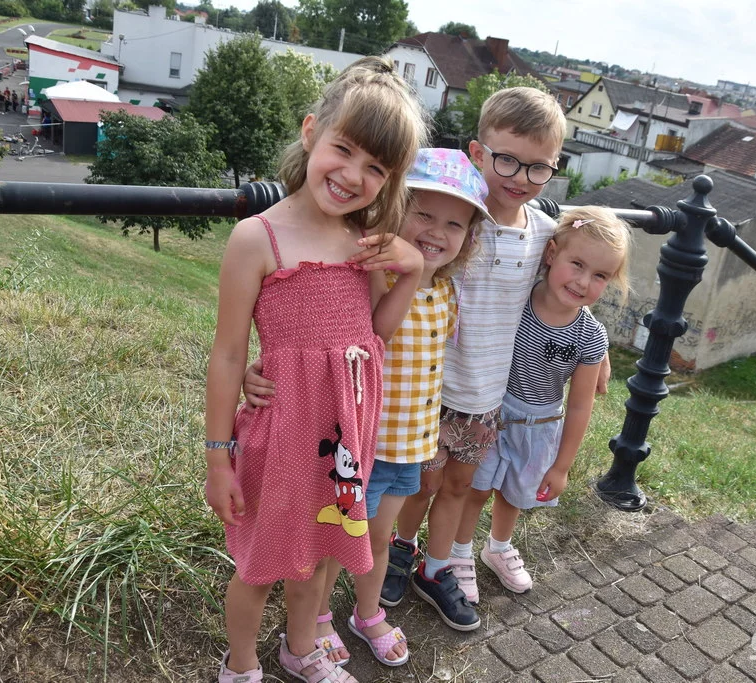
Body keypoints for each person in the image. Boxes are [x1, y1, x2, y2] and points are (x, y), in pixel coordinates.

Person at [203, 56, 426, 683]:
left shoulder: (368, 242)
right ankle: (241, 664)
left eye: (376, 167)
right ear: (310, 133)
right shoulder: (256, 239)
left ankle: (302, 649)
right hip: (279, 438)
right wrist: (218, 457)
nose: (354, 175)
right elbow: (226, 355)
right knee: (261, 566)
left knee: (324, 555)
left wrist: (414, 269)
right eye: (344, 149)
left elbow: (373, 334)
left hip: (344, 441)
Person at [243, 148, 491, 667]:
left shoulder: (447, 292)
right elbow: (321, 332)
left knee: (377, 539)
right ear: (395, 209)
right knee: (337, 537)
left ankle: (366, 612)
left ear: (468, 237)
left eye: (454, 223)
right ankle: (317, 622)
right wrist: (260, 369)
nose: (437, 230)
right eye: (423, 213)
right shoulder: (369, 269)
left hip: (411, 444)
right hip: (358, 443)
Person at [381, 87, 614, 631]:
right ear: (477, 152)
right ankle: (400, 549)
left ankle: (435, 570)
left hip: (486, 396)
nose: (520, 177)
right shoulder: (456, 220)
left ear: (553, 169)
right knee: (418, 486)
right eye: (506, 158)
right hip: (429, 390)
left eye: (538, 168)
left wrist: (598, 351)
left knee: (460, 488)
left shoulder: (543, 235)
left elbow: (570, 284)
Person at [466, 206, 629, 594]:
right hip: (491, 410)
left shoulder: (589, 337)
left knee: (514, 495)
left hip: (540, 426)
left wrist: (562, 466)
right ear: (552, 254)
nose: (583, 281)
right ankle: (457, 553)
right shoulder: (518, 298)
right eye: (577, 264)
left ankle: (498, 548)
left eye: (600, 275)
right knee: (475, 489)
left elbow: (579, 404)